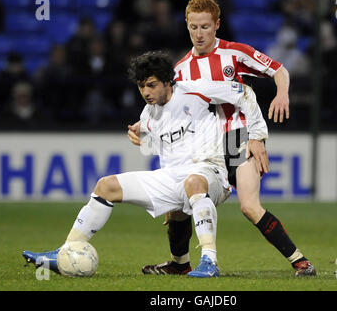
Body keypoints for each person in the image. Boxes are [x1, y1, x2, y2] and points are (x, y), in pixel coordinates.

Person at [22, 51, 269, 278]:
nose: (146, 92)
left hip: (210, 172)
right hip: (171, 177)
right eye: (141, 86)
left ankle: (209, 261)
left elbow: (244, 93)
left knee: (194, 182)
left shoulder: (194, 90)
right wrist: (139, 133)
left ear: (167, 82)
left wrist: (256, 135)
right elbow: (150, 135)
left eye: (151, 85)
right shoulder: (148, 113)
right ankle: (67, 249)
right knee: (106, 185)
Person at [128, 0, 315, 277]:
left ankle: (300, 261)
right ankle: (179, 264)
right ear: (187, 26)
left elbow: (278, 70)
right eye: (193, 27)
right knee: (178, 206)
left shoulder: (234, 54)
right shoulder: (179, 71)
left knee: (249, 207)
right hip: (203, 145)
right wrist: (142, 127)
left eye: (205, 26)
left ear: (216, 24)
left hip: (238, 136)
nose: (199, 33)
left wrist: (278, 101)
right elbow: (167, 111)